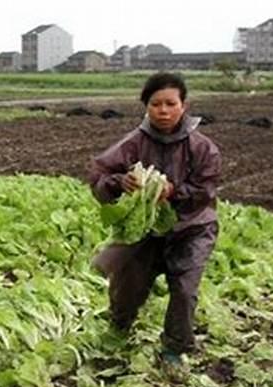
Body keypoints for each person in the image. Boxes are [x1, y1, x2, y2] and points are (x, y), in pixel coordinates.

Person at [89, 72, 220, 368]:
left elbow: (205, 190)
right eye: (155, 104)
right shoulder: (133, 143)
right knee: (127, 288)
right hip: (146, 231)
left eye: (170, 104)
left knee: (185, 291)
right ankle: (119, 326)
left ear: (183, 106)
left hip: (192, 228)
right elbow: (98, 176)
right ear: (146, 107)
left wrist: (174, 192)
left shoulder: (203, 148)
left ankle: (174, 349)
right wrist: (119, 181)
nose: (163, 111)